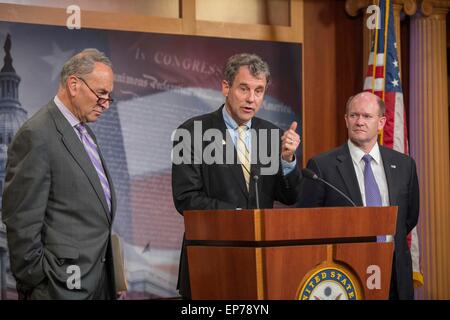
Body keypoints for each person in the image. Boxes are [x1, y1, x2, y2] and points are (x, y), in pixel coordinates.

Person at [172, 53, 302, 299]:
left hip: (260, 263)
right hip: (209, 261)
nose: (251, 99)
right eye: (244, 89)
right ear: (225, 87)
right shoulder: (190, 132)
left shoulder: (271, 135)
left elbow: (290, 196)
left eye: (259, 91)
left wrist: (287, 160)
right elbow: (185, 199)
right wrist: (239, 218)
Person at [2, 48, 117, 299]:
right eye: (101, 94)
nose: (106, 104)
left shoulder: (84, 132)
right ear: (74, 85)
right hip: (59, 290)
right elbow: (21, 223)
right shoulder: (36, 134)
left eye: (109, 96)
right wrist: (42, 282)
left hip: (97, 284)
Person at [297, 91, 419, 300]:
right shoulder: (322, 166)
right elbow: (307, 223)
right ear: (346, 120)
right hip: (344, 274)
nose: (359, 121)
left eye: (367, 116)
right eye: (354, 116)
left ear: (381, 122)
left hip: (394, 273)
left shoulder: (404, 164)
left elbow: (409, 218)